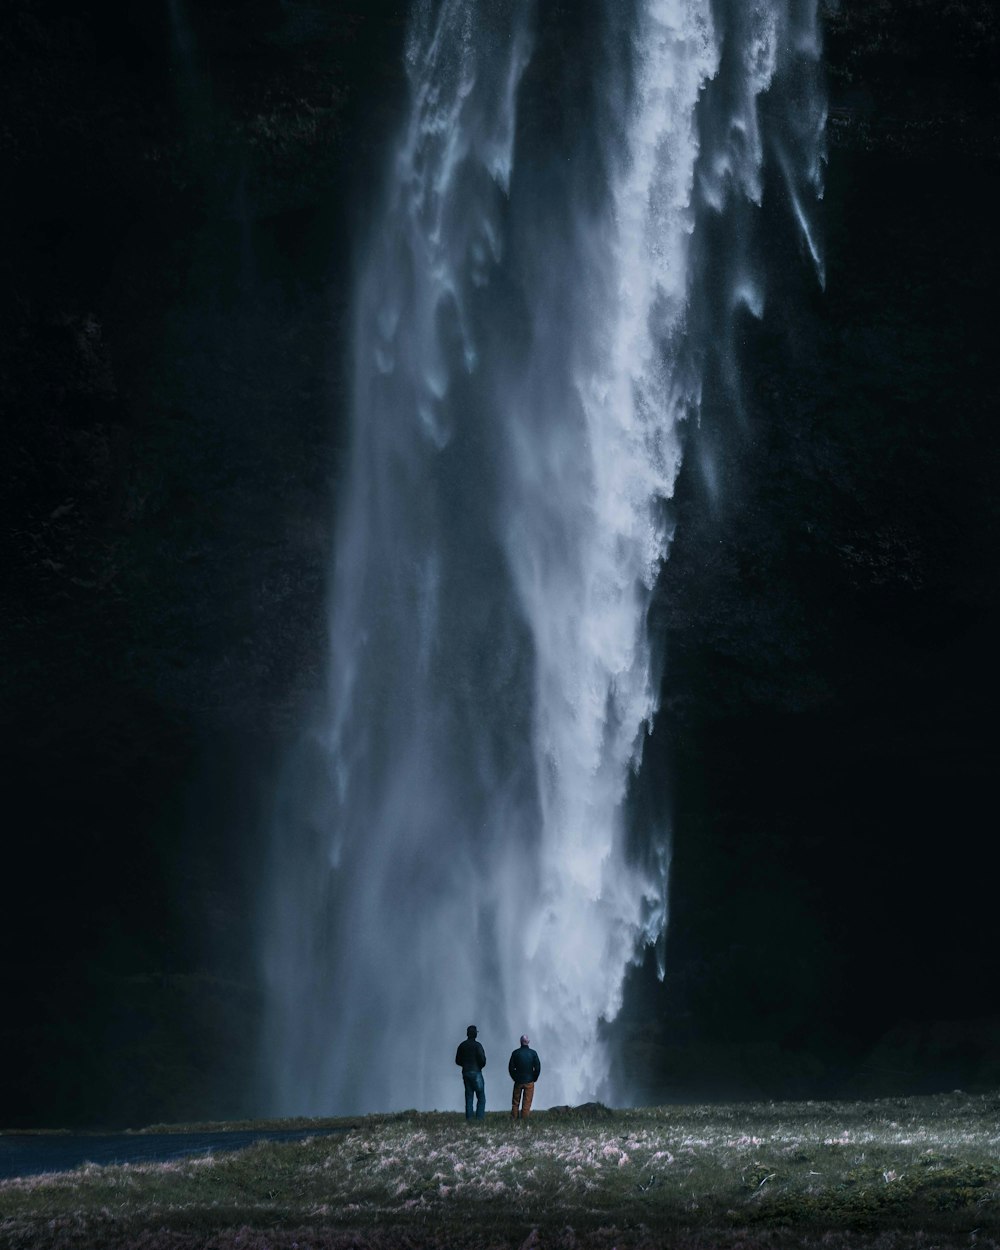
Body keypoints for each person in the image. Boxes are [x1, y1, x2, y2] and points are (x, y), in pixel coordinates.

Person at [455, 1024, 486, 1120]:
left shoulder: (462, 1045)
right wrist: (479, 1066)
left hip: (466, 1072)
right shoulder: (478, 1046)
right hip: (476, 1072)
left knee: (469, 1096)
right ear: (475, 1035)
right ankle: (479, 1118)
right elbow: (482, 1060)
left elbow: (457, 1060)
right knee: (481, 1096)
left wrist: (464, 1065)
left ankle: (469, 1118)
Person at [508, 1033, 540, 1120]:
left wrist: (514, 1077)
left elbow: (511, 1068)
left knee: (515, 1102)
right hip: (529, 1081)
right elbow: (537, 1067)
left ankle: (513, 1118)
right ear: (528, 1042)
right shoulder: (533, 1053)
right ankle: (524, 1120)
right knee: (527, 1102)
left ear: (520, 1042)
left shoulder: (515, 1053)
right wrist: (534, 1078)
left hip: (518, 1081)